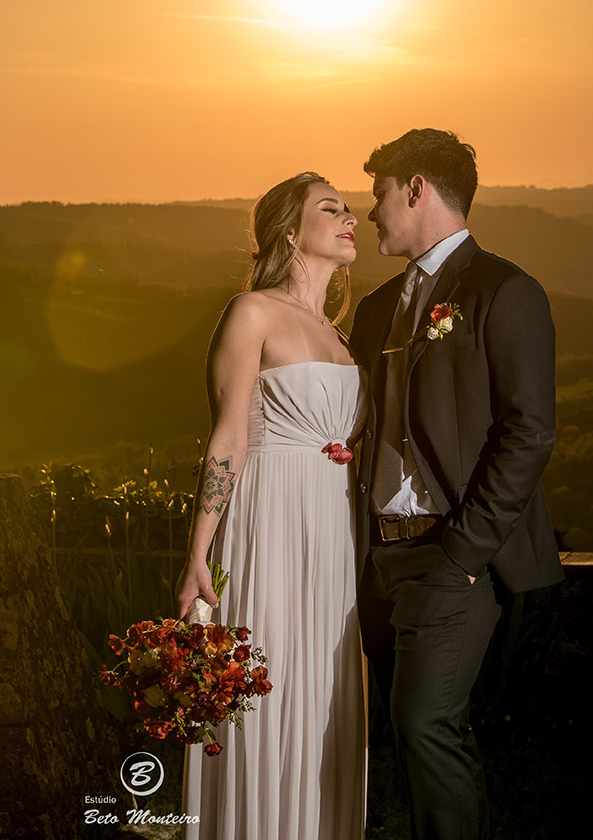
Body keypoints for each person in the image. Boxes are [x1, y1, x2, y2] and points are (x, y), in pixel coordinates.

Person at [349, 128, 563, 840]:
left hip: (452, 554)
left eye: (379, 192)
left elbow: (529, 430)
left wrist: (464, 553)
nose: (370, 210)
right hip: (379, 557)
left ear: (416, 189)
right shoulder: (375, 307)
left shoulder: (504, 289)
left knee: (424, 722)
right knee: (414, 730)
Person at [176, 173, 367, 840]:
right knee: (264, 685)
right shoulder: (251, 311)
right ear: (289, 232)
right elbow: (227, 438)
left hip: (333, 531)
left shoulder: (340, 335)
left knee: (321, 692)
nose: (349, 218)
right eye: (330, 209)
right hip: (269, 524)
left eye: (348, 208)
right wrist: (198, 554)